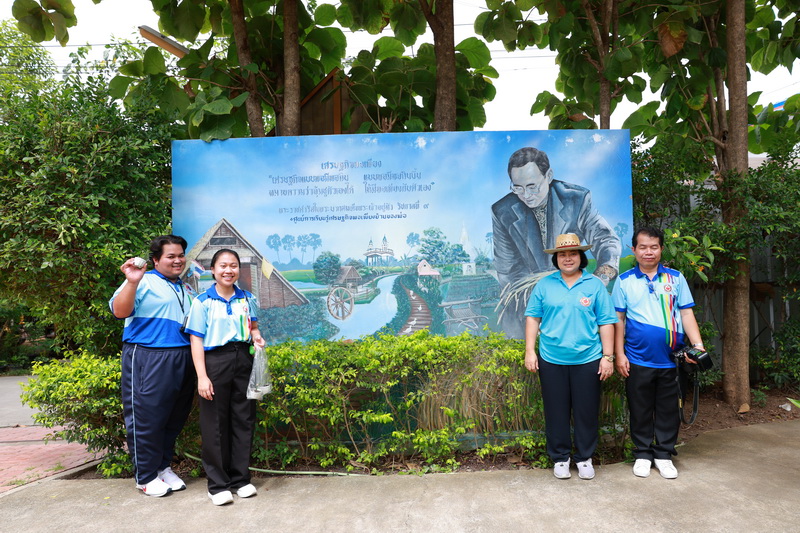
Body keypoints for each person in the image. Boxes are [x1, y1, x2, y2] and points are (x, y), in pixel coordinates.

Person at [492, 147, 621, 339]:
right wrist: (539, 305)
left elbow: (605, 239)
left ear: (549, 176)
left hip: (575, 293)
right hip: (528, 304)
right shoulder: (502, 211)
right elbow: (508, 270)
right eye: (517, 188)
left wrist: (602, 276)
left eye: (532, 186)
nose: (526, 195)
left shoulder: (576, 198)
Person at [612, 227, 704, 479]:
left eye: (654, 247)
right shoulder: (624, 281)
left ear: (662, 249)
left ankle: (663, 454)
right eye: (643, 247)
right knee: (640, 408)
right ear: (634, 250)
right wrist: (619, 354)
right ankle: (642, 453)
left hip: (672, 360)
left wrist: (698, 345)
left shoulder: (676, 278)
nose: (648, 252)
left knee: (668, 409)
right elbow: (618, 319)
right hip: (637, 358)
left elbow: (686, 313)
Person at [523, 233, 617, 480]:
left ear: (581, 257)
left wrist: (608, 356)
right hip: (551, 358)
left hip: (588, 359)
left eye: (572, 253)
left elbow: (606, 321)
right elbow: (533, 318)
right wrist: (530, 351)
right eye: (562, 254)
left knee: (587, 411)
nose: (567, 258)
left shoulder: (594, 285)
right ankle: (560, 458)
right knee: (556, 411)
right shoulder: (545, 285)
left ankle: (584, 458)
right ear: (556, 258)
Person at [110, 235, 196, 497]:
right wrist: (131, 281)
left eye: (180, 255)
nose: (177, 260)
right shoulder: (142, 281)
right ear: (156, 260)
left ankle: (161, 468)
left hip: (182, 356)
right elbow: (119, 311)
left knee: (173, 418)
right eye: (170, 256)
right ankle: (145, 476)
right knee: (147, 418)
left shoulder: (185, 287)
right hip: (149, 356)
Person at [185, 248, 266, 506]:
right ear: (213, 270)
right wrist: (202, 377)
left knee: (244, 420)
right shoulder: (202, 302)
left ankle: (240, 480)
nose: (228, 270)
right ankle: (217, 485)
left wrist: (256, 337)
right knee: (215, 424)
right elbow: (196, 340)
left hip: (243, 359)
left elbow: (253, 327)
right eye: (223, 266)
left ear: (238, 269)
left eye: (233, 265)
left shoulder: (248, 298)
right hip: (215, 361)